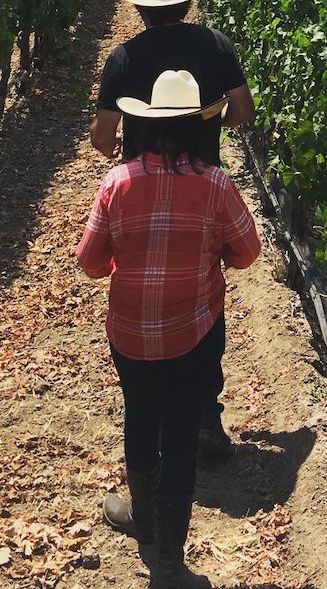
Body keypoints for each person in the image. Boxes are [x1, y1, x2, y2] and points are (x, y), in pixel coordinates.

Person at [77, 69, 261, 589]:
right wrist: (211, 254)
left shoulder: (117, 183)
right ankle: (169, 565)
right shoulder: (215, 185)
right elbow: (248, 252)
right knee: (180, 434)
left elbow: (90, 263)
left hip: (130, 333)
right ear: (197, 128)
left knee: (140, 417)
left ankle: (143, 520)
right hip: (193, 333)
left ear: (146, 127)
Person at [90, 0, 255, 457]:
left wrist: (121, 150)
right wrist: (207, 124)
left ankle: (154, 422)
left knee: (143, 290)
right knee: (202, 295)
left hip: (139, 189)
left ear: (138, 8)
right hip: (201, 191)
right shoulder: (216, 45)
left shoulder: (122, 58)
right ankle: (204, 415)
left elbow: (101, 138)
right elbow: (243, 114)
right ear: (186, 1)